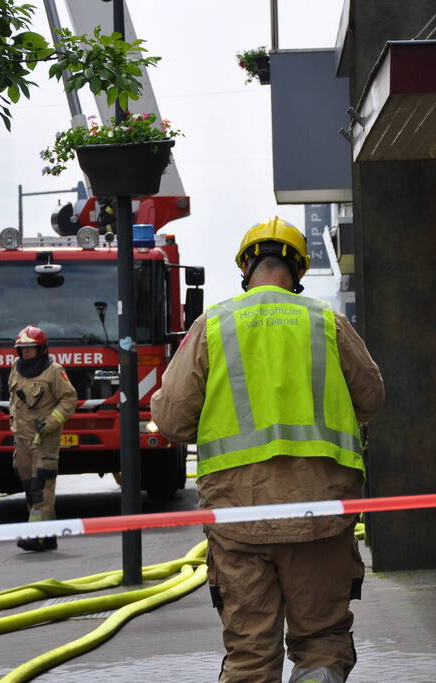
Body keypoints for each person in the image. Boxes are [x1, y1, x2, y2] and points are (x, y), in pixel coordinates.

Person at [151, 217, 384, 683]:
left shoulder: (211, 326)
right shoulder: (326, 322)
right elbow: (372, 398)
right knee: (321, 644)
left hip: (240, 520)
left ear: (246, 266)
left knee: (250, 655)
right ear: (298, 269)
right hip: (320, 514)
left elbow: (172, 420)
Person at [8, 325, 77, 552]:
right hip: (22, 440)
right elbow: (13, 401)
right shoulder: (16, 368)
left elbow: (69, 400)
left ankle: (34, 534)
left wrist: (51, 423)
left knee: (42, 487)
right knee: (31, 489)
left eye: (30, 349)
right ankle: (49, 535)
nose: (25, 353)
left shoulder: (54, 371)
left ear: (41, 349)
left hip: (44, 439)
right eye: (22, 349)